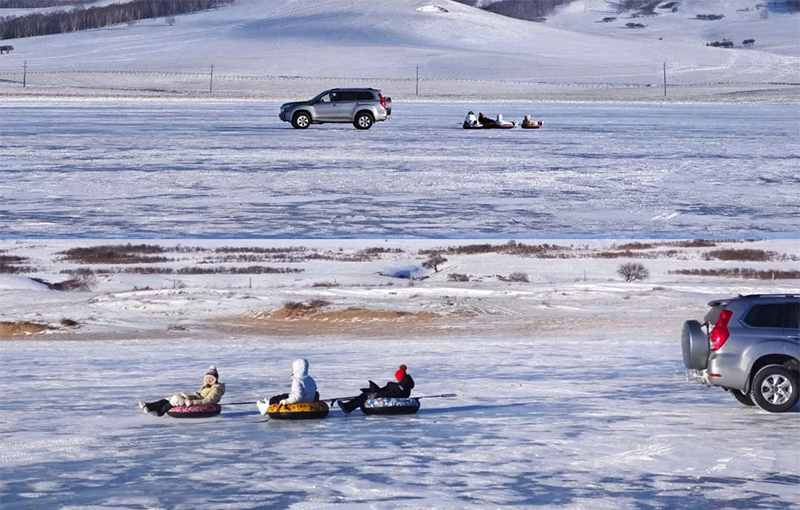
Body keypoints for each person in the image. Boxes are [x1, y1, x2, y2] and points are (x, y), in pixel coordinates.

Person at [138, 365, 225, 417]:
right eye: (207, 378)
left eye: (211, 378)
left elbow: (209, 400)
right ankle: (149, 406)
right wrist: (189, 396)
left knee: (176, 399)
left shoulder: (216, 388)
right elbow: (200, 395)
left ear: (215, 379)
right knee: (170, 398)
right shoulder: (206, 386)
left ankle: (160, 412)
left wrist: (193, 402)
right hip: (194, 400)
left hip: (197, 403)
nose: (209, 380)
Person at [337, 364, 415, 415]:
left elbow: (392, 393)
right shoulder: (404, 384)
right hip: (384, 394)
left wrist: (378, 394)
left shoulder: (403, 386)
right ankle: (348, 406)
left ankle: (348, 407)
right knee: (366, 393)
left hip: (385, 396)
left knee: (365, 395)